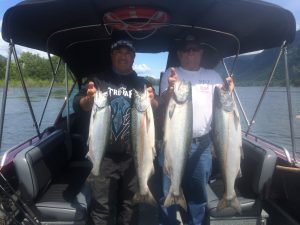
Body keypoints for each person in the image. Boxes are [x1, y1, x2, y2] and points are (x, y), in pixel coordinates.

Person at [73, 38, 157, 225]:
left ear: (133, 58)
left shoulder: (143, 83)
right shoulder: (97, 80)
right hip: (104, 157)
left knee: (130, 207)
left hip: (135, 156)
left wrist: (153, 102)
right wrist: (88, 99)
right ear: (112, 55)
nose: (123, 56)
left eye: (128, 53)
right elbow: (79, 105)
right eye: (118, 52)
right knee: (102, 208)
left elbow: (156, 110)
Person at [158, 34, 234, 225]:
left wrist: (229, 90)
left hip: (203, 145)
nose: (190, 53)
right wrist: (170, 89)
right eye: (185, 50)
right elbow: (164, 104)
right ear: (179, 53)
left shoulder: (213, 76)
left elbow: (224, 108)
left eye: (194, 49)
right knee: (167, 192)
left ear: (201, 52)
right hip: (173, 143)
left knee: (198, 195)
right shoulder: (171, 74)